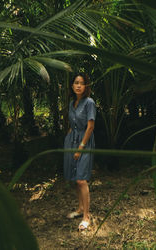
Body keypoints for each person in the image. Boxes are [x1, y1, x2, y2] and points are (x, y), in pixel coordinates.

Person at [63, 72, 96, 231]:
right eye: (76, 82)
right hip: (71, 141)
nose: (78, 85)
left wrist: (81, 147)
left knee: (82, 179)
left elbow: (90, 126)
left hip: (84, 142)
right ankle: (80, 208)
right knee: (75, 178)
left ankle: (86, 217)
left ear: (86, 86)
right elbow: (72, 124)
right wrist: (69, 138)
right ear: (72, 85)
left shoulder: (89, 102)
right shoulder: (72, 103)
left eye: (81, 83)